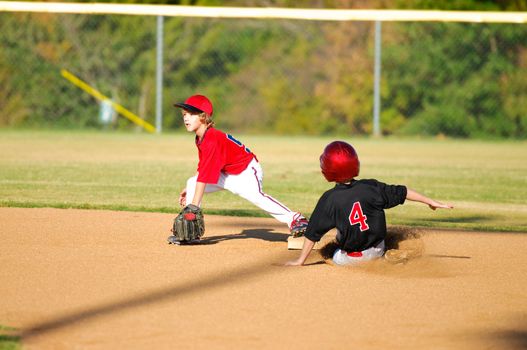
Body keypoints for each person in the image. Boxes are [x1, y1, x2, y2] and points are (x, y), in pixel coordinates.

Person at [285, 141, 453, 266]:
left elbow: (312, 234)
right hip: (377, 250)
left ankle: (344, 254)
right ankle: (386, 253)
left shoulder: (329, 199)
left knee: (329, 250)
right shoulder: (371, 187)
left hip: (349, 259)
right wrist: (431, 201)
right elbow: (404, 192)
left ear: (327, 170)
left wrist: (300, 260)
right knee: (381, 236)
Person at [173, 94, 309, 240]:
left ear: (203, 116)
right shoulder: (201, 137)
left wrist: (194, 205)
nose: (186, 118)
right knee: (192, 183)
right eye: (184, 114)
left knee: (256, 197)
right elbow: (203, 166)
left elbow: (205, 175)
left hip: (245, 170)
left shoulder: (212, 139)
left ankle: (296, 219)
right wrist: (190, 190)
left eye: (191, 114)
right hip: (226, 172)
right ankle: (190, 233)